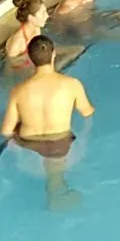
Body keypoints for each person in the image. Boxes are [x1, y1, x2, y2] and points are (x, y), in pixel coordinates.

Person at [1, 35, 94, 210]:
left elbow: (6, 131)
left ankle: (54, 193)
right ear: (53, 54)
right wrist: (83, 141)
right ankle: (56, 194)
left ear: (30, 59)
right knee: (55, 169)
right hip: (64, 149)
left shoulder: (19, 91)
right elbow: (87, 114)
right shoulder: (72, 84)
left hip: (28, 153)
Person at [5, 0, 49, 75]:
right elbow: (8, 70)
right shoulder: (17, 43)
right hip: (22, 71)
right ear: (31, 18)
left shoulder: (36, 28)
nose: (47, 16)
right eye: (43, 13)